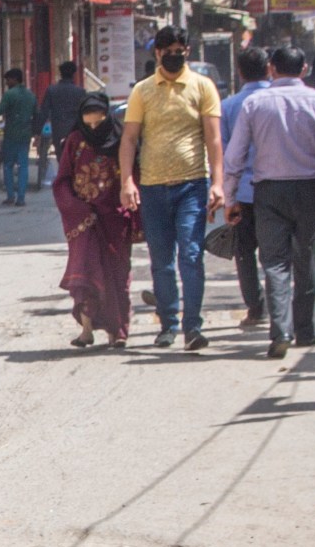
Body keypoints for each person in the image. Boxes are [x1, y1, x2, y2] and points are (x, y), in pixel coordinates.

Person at [221, 46, 315, 360]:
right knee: (305, 256)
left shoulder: (255, 103)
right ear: (304, 69)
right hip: (310, 191)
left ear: (272, 70)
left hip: (269, 192)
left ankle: (281, 331)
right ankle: (304, 330)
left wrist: (231, 196)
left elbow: (234, 156)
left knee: (275, 261)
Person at [119, 25, 225, 351]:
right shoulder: (142, 91)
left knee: (191, 256)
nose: (174, 55)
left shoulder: (202, 87)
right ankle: (168, 324)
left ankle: (193, 327)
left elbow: (213, 138)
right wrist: (127, 180)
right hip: (152, 187)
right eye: (168, 51)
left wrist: (219, 183)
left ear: (187, 52)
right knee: (161, 261)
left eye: (180, 49)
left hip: (192, 185)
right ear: (157, 53)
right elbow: (130, 138)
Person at [54, 100, 136, 349]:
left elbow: (132, 173)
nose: (93, 123)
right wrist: (76, 209)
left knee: (118, 276)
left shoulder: (120, 139)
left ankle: (118, 331)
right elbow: (63, 180)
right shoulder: (75, 141)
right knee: (85, 275)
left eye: (98, 117)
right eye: (88, 117)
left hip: (114, 217)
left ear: (106, 114)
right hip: (84, 220)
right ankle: (86, 330)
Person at [217, 48, 272, 331]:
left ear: (239, 72)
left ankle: (256, 308)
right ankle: (280, 309)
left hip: (243, 193)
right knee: (278, 254)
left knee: (245, 252)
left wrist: (228, 197)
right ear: (269, 69)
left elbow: (226, 154)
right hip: (277, 189)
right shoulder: (279, 101)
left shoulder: (228, 106)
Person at [36, 60, 89, 188]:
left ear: (60, 74)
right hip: (75, 130)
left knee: (61, 157)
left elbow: (43, 112)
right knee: (75, 157)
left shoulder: (52, 90)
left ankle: (65, 181)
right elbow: (85, 113)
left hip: (58, 130)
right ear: (74, 75)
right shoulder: (80, 92)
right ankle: (73, 181)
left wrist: (37, 131)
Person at [0, 68, 38, 206]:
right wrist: (36, 133)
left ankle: (10, 196)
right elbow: (37, 115)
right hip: (26, 135)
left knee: (8, 166)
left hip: (11, 135)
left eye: (8, 80)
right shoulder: (31, 95)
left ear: (14, 79)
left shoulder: (9, 94)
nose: (7, 83)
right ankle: (21, 198)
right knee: (23, 166)